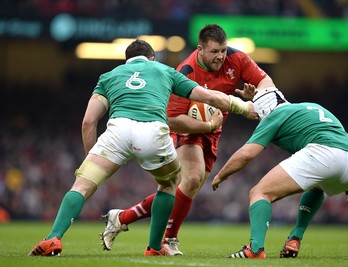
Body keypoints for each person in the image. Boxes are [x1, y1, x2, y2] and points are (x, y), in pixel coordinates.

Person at [28, 39, 257, 257]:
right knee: (169, 185)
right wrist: (245, 108)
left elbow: (89, 121)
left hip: (117, 130)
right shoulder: (164, 70)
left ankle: (53, 238)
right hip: (153, 130)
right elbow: (208, 96)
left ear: (126, 60)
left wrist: (92, 157)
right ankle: (155, 246)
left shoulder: (109, 76)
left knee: (82, 185)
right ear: (152, 58)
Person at [100, 24, 275, 255]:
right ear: (200, 49)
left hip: (213, 130)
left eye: (223, 50)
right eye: (214, 52)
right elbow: (172, 119)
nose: (221, 56)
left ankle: (122, 217)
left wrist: (258, 97)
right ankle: (168, 239)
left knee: (185, 189)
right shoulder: (186, 71)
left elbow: (266, 83)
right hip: (188, 129)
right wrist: (206, 125)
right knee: (192, 179)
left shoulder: (237, 58)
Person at [211, 87, 348, 259]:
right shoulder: (309, 107)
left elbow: (246, 155)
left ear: (263, 111)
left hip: (324, 154)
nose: (257, 118)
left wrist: (220, 175)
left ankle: (255, 249)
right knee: (316, 186)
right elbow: (341, 143)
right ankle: (295, 238)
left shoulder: (273, 116)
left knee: (259, 192)